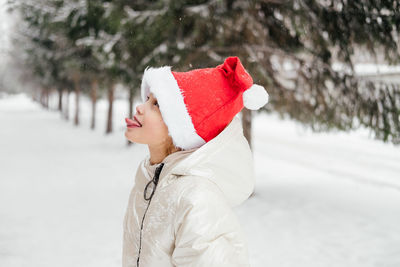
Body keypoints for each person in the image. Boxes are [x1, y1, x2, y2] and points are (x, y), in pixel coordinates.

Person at [123, 56, 269, 267]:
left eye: (156, 104)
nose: (139, 107)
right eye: (147, 99)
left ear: (179, 130)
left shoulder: (197, 199)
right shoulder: (149, 181)